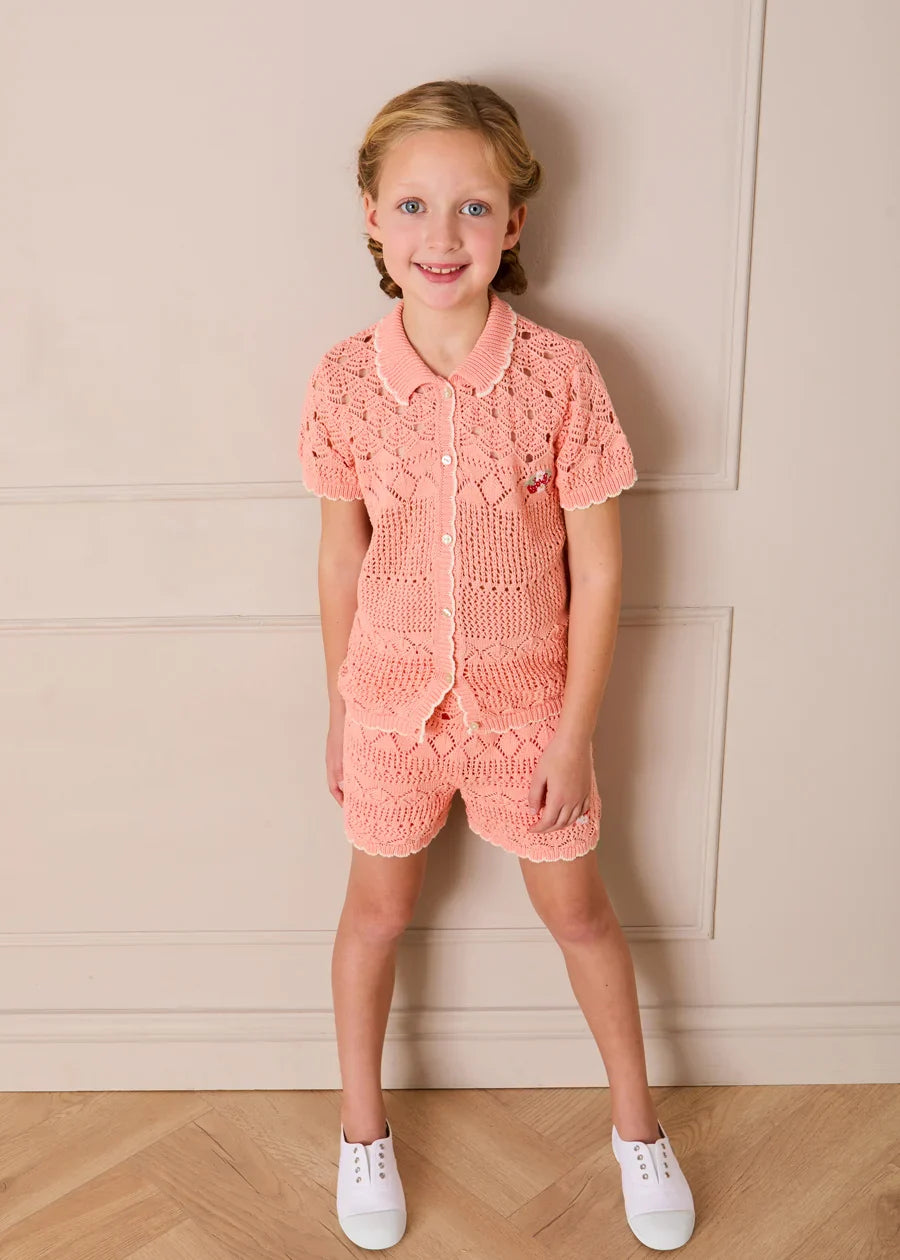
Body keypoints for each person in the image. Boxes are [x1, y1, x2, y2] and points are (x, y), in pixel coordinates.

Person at [298, 79, 695, 1252]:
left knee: (579, 914)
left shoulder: (560, 376)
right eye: (414, 204)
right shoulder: (343, 381)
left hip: (530, 715)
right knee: (377, 911)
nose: (443, 234)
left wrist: (573, 733)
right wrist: (341, 708)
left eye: (473, 207)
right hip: (388, 708)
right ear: (371, 214)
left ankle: (637, 1129)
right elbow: (340, 558)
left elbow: (600, 572)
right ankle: (360, 1129)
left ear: (514, 221)